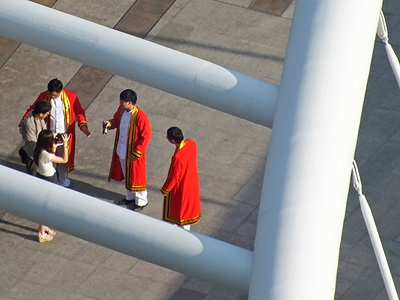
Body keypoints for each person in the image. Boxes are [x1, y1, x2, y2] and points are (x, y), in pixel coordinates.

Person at [19, 78, 91, 187]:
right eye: (50, 95)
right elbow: (33, 109)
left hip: (64, 136)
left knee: (63, 162)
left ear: (61, 91)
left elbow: (79, 112)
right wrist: (23, 121)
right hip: (48, 136)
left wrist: (83, 127)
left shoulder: (72, 97)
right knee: (47, 159)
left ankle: (62, 182)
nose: (51, 97)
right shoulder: (44, 96)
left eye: (54, 96)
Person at [103, 89, 151, 212]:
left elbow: (146, 136)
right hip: (122, 149)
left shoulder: (141, 117)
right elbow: (115, 121)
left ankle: (141, 200)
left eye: (122, 101)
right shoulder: (121, 110)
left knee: (137, 176)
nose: (120, 103)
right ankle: (130, 197)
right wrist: (109, 123)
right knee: (127, 174)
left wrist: (137, 152)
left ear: (129, 102)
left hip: (134, 153)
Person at [33, 129, 70, 242]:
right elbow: (64, 159)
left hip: (41, 177)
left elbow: (51, 153)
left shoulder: (38, 149)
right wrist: (65, 145)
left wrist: (53, 145)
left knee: (43, 205)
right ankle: (41, 234)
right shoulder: (46, 155)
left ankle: (43, 227)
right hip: (49, 179)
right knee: (47, 207)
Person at [161, 127, 201, 230]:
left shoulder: (178, 157)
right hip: (191, 181)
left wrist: (166, 189)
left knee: (179, 211)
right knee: (187, 210)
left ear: (172, 140)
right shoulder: (191, 143)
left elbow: (175, 176)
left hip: (181, 186)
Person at [19, 100, 52, 174]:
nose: (48, 114)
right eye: (47, 113)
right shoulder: (30, 124)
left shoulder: (38, 117)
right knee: (34, 175)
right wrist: (43, 154)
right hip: (33, 156)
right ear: (41, 114)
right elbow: (32, 143)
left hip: (40, 151)